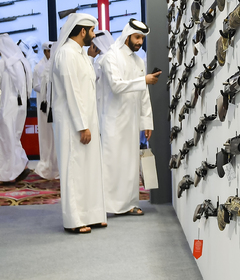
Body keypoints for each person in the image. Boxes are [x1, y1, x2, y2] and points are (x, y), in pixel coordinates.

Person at [51, 13, 107, 233]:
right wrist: (82, 125)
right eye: (92, 31)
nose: (93, 36)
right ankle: (74, 220)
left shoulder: (81, 54)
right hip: (74, 124)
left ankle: (91, 215)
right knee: (74, 169)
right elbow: (72, 92)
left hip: (87, 122)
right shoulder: (66, 54)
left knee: (89, 169)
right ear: (82, 31)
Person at [99, 19, 161, 215]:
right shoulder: (111, 57)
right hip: (114, 119)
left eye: (142, 38)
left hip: (132, 121)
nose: (140, 42)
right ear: (127, 36)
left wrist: (146, 122)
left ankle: (131, 203)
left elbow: (144, 95)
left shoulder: (138, 60)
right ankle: (107, 206)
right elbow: (116, 86)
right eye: (137, 37)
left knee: (131, 164)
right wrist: (144, 80)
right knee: (113, 162)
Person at [0, 34, 33, 183]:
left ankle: (8, 174)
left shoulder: (4, 63)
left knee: (6, 139)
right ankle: (20, 167)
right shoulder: (22, 62)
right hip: (21, 106)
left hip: (7, 105)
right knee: (13, 137)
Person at [32, 41, 59, 180]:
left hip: (54, 105)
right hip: (43, 106)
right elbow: (35, 85)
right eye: (49, 51)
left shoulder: (55, 64)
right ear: (45, 52)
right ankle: (45, 165)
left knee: (55, 136)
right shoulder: (39, 67)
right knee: (45, 136)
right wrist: (46, 88)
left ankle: (55, 166)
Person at [88, 30, 114, 121]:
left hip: (102, 104)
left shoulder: (101, 60)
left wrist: (90, 57)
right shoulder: (114, 57)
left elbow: (88, 78)